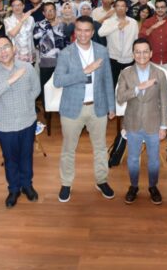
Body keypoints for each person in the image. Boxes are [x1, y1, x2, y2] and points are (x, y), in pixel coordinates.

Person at [53, 16, 116, 203]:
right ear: (75, 32)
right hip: (72, 108)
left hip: (98, 107)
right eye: (79, 30)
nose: (83, 34)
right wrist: (85, 72)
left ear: (92, 32)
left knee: (100, 148)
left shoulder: (102, 51)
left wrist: (111, 106)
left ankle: (102, 180)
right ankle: (66, 183)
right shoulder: (66, 53)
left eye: (87, 30)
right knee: (68, 149)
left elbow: (107, 80)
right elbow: (58, 81)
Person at [0, 36, 41, 208]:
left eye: (6, 47)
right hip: (5, 124)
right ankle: (14, 189)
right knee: (10, 159)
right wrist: (11, 80)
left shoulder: (27, 67)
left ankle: (27, 185)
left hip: (27, 121)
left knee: (26, 156)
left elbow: (36, 89)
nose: (3, 52)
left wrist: (25, 104)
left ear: (13, 48)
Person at [116, 38, 167, 205]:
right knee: (132, 159)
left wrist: (164, 126)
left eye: (145, 51)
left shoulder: (160, 74)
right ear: (133, 54)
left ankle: (153, 186)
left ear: (151, 53)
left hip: (154, 123)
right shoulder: (125, 73)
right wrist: (139, 88)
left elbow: (164, 101)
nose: (142, 55)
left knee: (154, 160)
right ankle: (133, 186)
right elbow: (120, 98)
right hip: (132, 123)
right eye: (138, 52)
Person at [98, 0, 139, 88]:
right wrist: (117, 26)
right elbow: (100, 33)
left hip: (129, 58)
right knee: (112, 84)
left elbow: (136, 39)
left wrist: (135, 55)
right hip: (113, 57)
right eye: (118, 6)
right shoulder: (108, 21)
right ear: (115, 8)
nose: (120, 8)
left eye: (123, 6)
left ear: (126, 9)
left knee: (129, 85)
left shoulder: (133, 22)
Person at [33, 2, 68, 105]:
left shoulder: (62, 24)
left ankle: (60, 106)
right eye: (47, 11)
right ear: (43, 13)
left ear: (55, 11)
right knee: (46, 86)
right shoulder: (39, 24)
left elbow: (67, 42)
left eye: (52, 10)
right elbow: (36, 36)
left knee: (61, 86)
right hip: (46, 62)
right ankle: (46, 108)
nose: (49, 12)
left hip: (61, 62)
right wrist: (50, 26)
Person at [139, 0, 167, 79]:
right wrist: (153, 27)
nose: (160, 9)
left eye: (162, 7)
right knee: (152, 85)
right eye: (158, 7)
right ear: (155, 8)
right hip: (152, 61)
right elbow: (141, 37)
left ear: (166, 8)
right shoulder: (148, 22)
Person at [4, 0, 36, 64]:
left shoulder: (31, 19)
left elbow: (32, 33)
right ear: (11, 8)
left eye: (19, 5)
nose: (17, 7)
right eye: (14, 6)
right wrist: (22, 20)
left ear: (23, 6)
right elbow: (12, 34)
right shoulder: (7, 21)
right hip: (16, 56)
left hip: (29, 54)